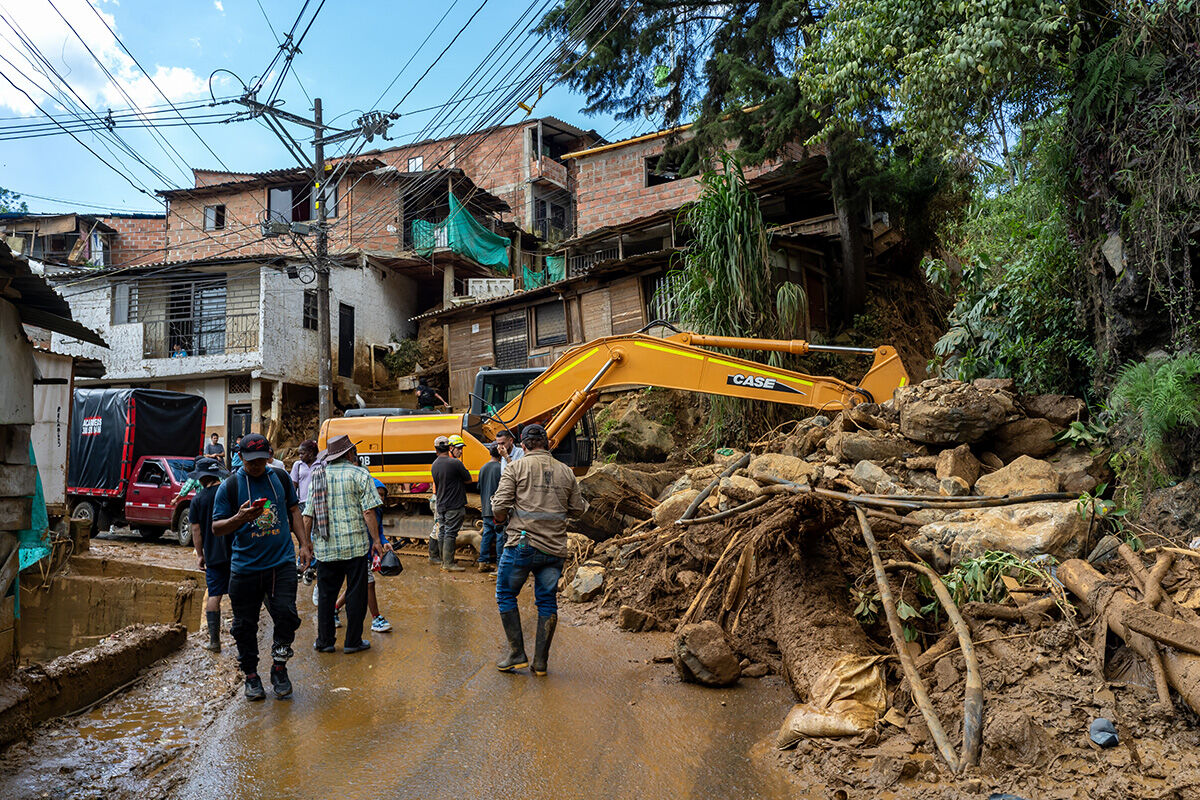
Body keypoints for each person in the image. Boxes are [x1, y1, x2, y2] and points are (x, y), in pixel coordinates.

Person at [212, 433, 313, 702]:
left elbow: (293, 510)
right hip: (244, 569)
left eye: (260, 460)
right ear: (241, 458)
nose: (255, 465)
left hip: (280, 564)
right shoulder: (230, 486)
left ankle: (279, 669)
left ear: (269, 456)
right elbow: (216, 527)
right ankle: (251, 676)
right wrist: (239, 517)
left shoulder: (279, 478)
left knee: (287, 615)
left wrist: (304, 544)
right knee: (245, 626)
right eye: (250, 461)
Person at [491, 423, 587, 676]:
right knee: (547, 601)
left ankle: (517, 653)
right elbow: (578, 509)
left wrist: (501, 520)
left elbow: (499, 506)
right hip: (554, 548)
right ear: (548, 444)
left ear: (523, 445)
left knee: (505, 594)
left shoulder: (516, 467)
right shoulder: (566, 472)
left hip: (521, 545)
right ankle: (541, 663)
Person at [303, 434, 384, 654]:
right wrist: (376, 541)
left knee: (327, 596)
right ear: (349, 453)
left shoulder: (318, 476)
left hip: (326, 548)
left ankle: (325, 641)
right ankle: (352, 642)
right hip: (355, 546)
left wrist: (306, 544)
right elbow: (368, 511)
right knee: (356, 595)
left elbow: (308, 515)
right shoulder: (359, 474)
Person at [336, 478, 393, 633]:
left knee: (357, 585)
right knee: (369, 584)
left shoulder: (378, 511)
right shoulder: (362, 510)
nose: (380, 498)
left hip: (367, 553)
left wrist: (384, 542)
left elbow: (379, 532)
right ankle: (376, 618)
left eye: (383, 495)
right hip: (357, 552)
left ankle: (334, 609)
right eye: (378, 494)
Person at [188, 458, 231, 652]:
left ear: (202, 477)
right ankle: (243, 637)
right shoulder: (229, 491)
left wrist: (200, 555)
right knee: (240, 594)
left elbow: (196, 530)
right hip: (235, 552)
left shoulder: (198, 499)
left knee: (214, 596)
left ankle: (214, 642)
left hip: (213, 555)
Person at [430, 434, 470, 572]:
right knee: (450, 533)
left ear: (436, 450)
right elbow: (468, 479)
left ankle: (443, 560)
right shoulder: (455, 463)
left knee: (442, 531)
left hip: (441, 503)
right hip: (454, 504)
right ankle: (448, 563)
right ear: (449, 448)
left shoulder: (434, 465)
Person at [477, 444, 503, 573]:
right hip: (498, 510)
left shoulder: (483, 468)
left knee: (487, 535)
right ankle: (500, 564)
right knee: (500, 536)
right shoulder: (501, 468)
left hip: (486, 508)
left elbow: (479, 487)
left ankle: (483, 562)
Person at [291, 440, 317, 512]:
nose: (300, 456)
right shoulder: (298, 465)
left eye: (302, 454)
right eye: (299, 454)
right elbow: (294, 484)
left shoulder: (321, 464)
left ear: (310, 453)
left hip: (317, 501)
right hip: (302, 502)